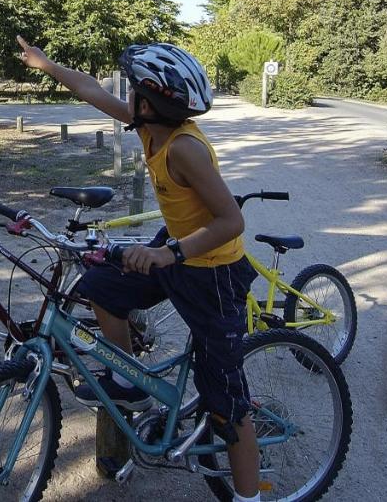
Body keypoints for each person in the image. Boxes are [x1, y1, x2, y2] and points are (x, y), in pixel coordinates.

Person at [16, 36, 261, 502]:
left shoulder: (185, 149)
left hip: (213, 273)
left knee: (228, 404)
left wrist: (171, 253)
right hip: (176, 249)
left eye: (133, 90)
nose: (126, 96)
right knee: (100, 286)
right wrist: (46, 65)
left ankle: (248, 496)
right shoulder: (150, 126)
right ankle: (129, 380)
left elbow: (231, 221)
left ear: (150, 102)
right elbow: (91, 89)